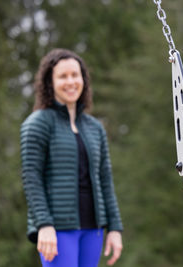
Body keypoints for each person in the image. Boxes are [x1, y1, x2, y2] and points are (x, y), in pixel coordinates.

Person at [20, 48, 123, 267]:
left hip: (93, 228)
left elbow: (105, 180)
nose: (70, 81)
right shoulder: (37, 123)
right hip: (58, 229)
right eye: (63, 76)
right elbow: (32, 179)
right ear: (50, 82)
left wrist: (114, 227)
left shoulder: (95, 128)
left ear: (83, 79)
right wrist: (44, 224)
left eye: (75, 75)